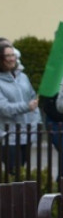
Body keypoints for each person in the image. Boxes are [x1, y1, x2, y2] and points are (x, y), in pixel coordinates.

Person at [0, 41, 41, 174]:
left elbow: (33, 99)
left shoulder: (23, 77)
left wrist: (36, 123)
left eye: (13, 55)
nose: (12, 59)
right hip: (9, 135)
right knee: (14, 173)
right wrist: (26, 107)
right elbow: (4, 108)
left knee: (23, 172)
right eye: (8, 56)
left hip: (26, 133)